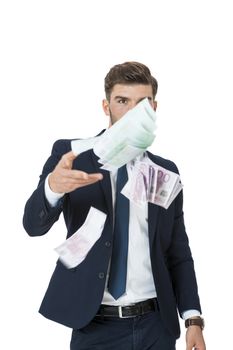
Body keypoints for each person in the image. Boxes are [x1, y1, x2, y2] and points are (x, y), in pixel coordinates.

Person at [23, 61, 206, 350]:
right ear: (106, 106)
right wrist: (52, 188)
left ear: (154, 109)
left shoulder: (165, 172)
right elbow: (33, 226)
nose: (133, 113)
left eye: (143, 103)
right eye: (123, 101)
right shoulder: (71, 155)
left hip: (156, 325)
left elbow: (177, 251)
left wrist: (193, 319)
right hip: (94, 325)